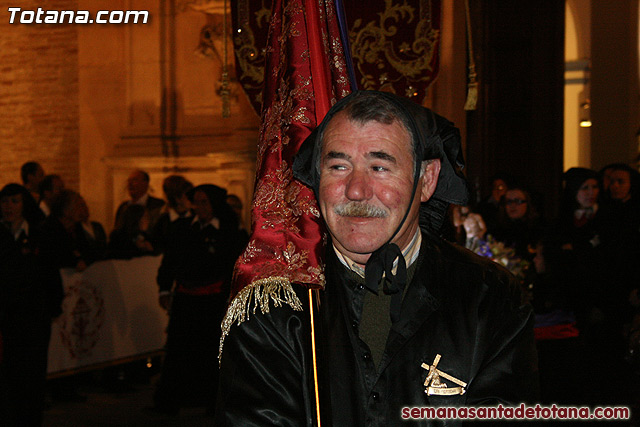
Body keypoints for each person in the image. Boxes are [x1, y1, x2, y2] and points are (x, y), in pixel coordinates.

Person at [215, 91, 538, 426]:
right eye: (338, 166)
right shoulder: (278, 305)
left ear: (426, 180)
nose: (356, 190)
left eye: (379, 166)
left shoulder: (490, 298)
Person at [151, 184, 244, 415]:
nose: (200, 207)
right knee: (178, 350)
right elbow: (170, 261)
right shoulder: (181, 228)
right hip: (185, 300)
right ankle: (171, 401)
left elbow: (236, 268)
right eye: (197, 202)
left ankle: (211, 401)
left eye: (204, 202)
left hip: (213, 302)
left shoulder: (230, 232)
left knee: (210, 352)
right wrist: (164, 289)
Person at [0, 184, 53, 426]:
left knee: (31, 374)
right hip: (5, 317)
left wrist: (49, 307)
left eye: (14, 201)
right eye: (5, 201)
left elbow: (49, 274)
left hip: (32, 317)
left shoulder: (37, 235)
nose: (8, 207)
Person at [150, 175, 193, 253]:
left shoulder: (196, 218)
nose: (192, 199)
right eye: (188, 196)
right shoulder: (163, 221)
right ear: (177, 199)